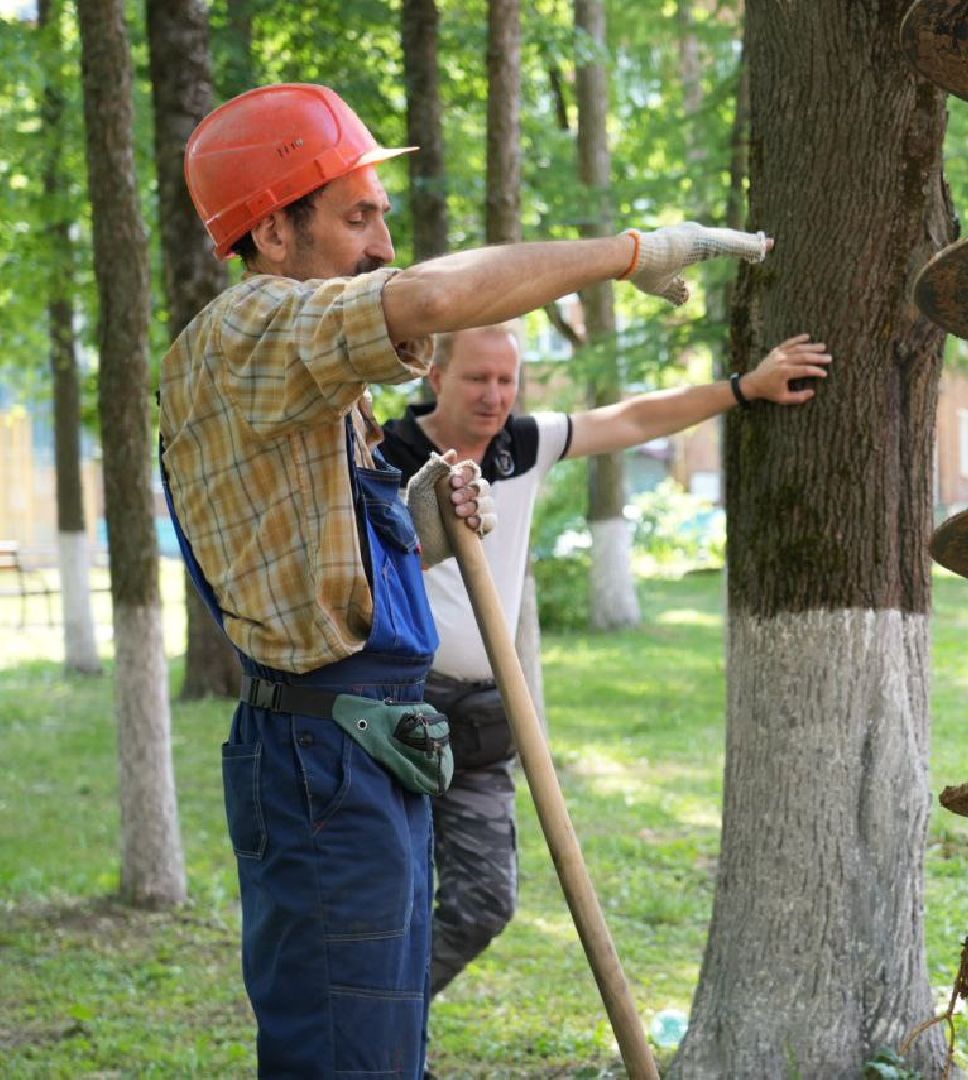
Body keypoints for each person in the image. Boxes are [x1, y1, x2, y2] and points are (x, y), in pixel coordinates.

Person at [159, 82, 775, 1078]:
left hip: (364, 752)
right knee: (346, 1058)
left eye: (383, 217)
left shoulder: (300, 373)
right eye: (358, 216)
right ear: (273, 233)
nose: (382, 244)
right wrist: (636, 251)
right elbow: (440, 299)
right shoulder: (252, 331)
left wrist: (427, 534)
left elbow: (310, 560)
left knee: (389, 1046)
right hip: (322, 763)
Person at [378, 323, 829, 999]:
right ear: (436, 377)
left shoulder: (520, 446)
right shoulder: (382, 452)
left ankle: (386, 1031)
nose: (495, 395)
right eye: (478, 378)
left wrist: (745, 387)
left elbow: (634, 417)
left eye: (507, 379)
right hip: (392, 715)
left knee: (482, 906)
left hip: (482, 718)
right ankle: (377, 1052)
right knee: (387, 907)